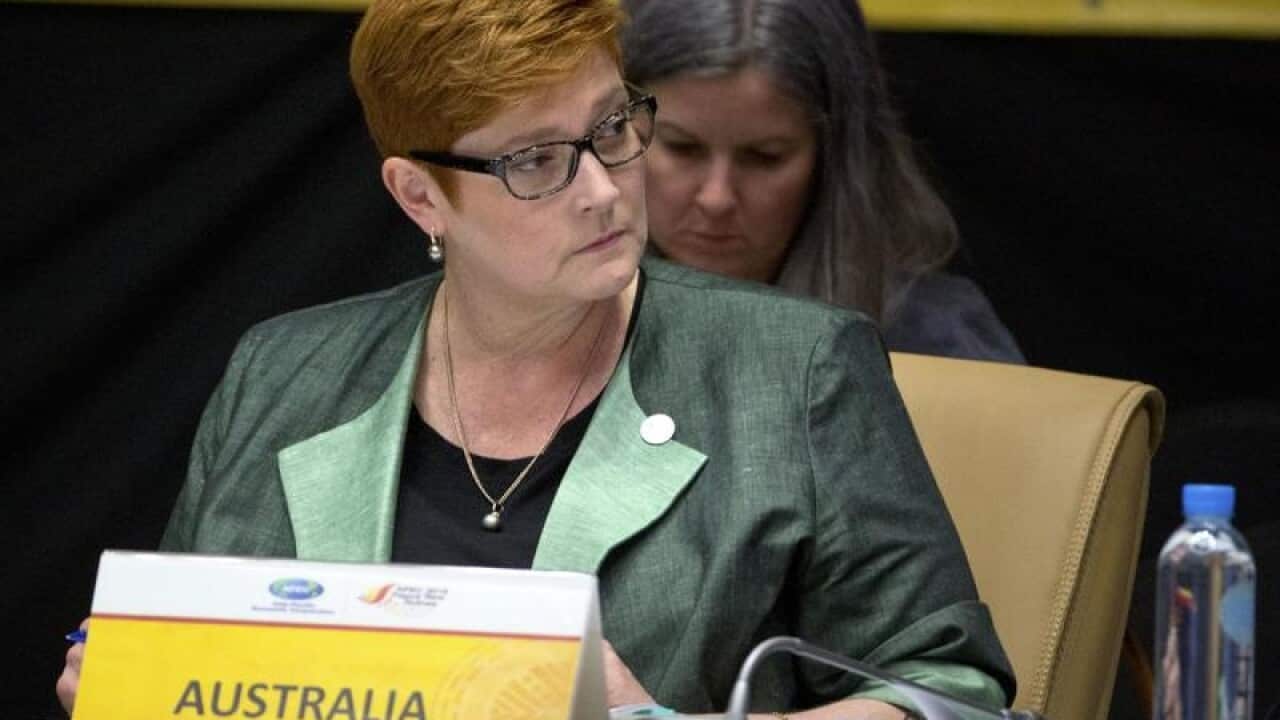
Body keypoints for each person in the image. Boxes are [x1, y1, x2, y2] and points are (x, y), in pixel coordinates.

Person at [57, 0, 1014, 717]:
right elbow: (188, 651)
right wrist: (124, 675)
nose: (602, 189)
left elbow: (948, 693)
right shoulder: (284, 373)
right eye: (534, 162)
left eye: (610, 129)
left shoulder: (796, 368)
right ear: (420, 197)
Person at [621, 0, 1025, 364]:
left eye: (765, 157)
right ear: (616, 129)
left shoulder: (935, 342)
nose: (716, 197)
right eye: (682, 148)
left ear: (835, 158)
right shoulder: (568, 317)